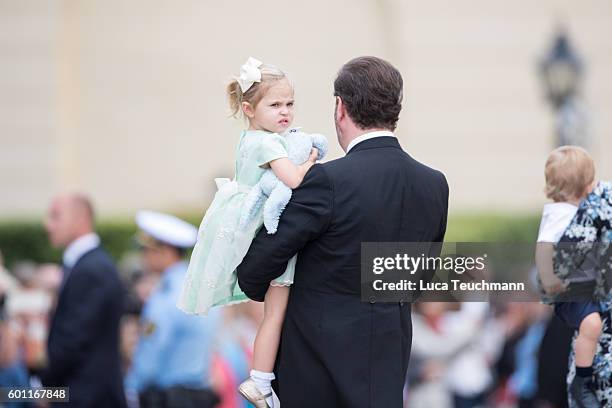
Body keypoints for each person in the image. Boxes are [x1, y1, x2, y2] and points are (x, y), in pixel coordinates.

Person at [237, 56, 449, 408]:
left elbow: (255, 269)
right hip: (387, 369)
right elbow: (419, 279)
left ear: (340, 108)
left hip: (315, 376)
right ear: (396, 107)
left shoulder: (328, 181)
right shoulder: (433, 184)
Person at [176, 57, 319, 408]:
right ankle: (260, 380)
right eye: (275, 105)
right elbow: (294, 179)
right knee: (275, 311)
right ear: (249, 109)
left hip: (251, 224)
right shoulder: (267, 144)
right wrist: (313, 159)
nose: (285, 112)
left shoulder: (252, 138)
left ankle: (262, 379)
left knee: (274, 311)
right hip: (263, 229)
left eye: (289, 104)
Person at [125, 210, 221, 408]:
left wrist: (130, 388)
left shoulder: (166, 295)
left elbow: (151, 352)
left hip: (169, 398)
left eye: (148, 250)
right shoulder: (198, 287)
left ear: (166, 252)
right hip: (198, 394)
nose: (144, 257)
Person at [42, 193, 127, 407]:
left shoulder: (92, 269)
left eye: (56, 216)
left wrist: (44, 386)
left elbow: (72, 342)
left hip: (86, 397)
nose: (48, 225)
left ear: (81, 219)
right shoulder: (86, 265)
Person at [535, 146, 600, 407]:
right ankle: (582, 376)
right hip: (571, 290)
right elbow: (544, 248)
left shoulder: (588, 212)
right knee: (591, 325)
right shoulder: (558, 213)